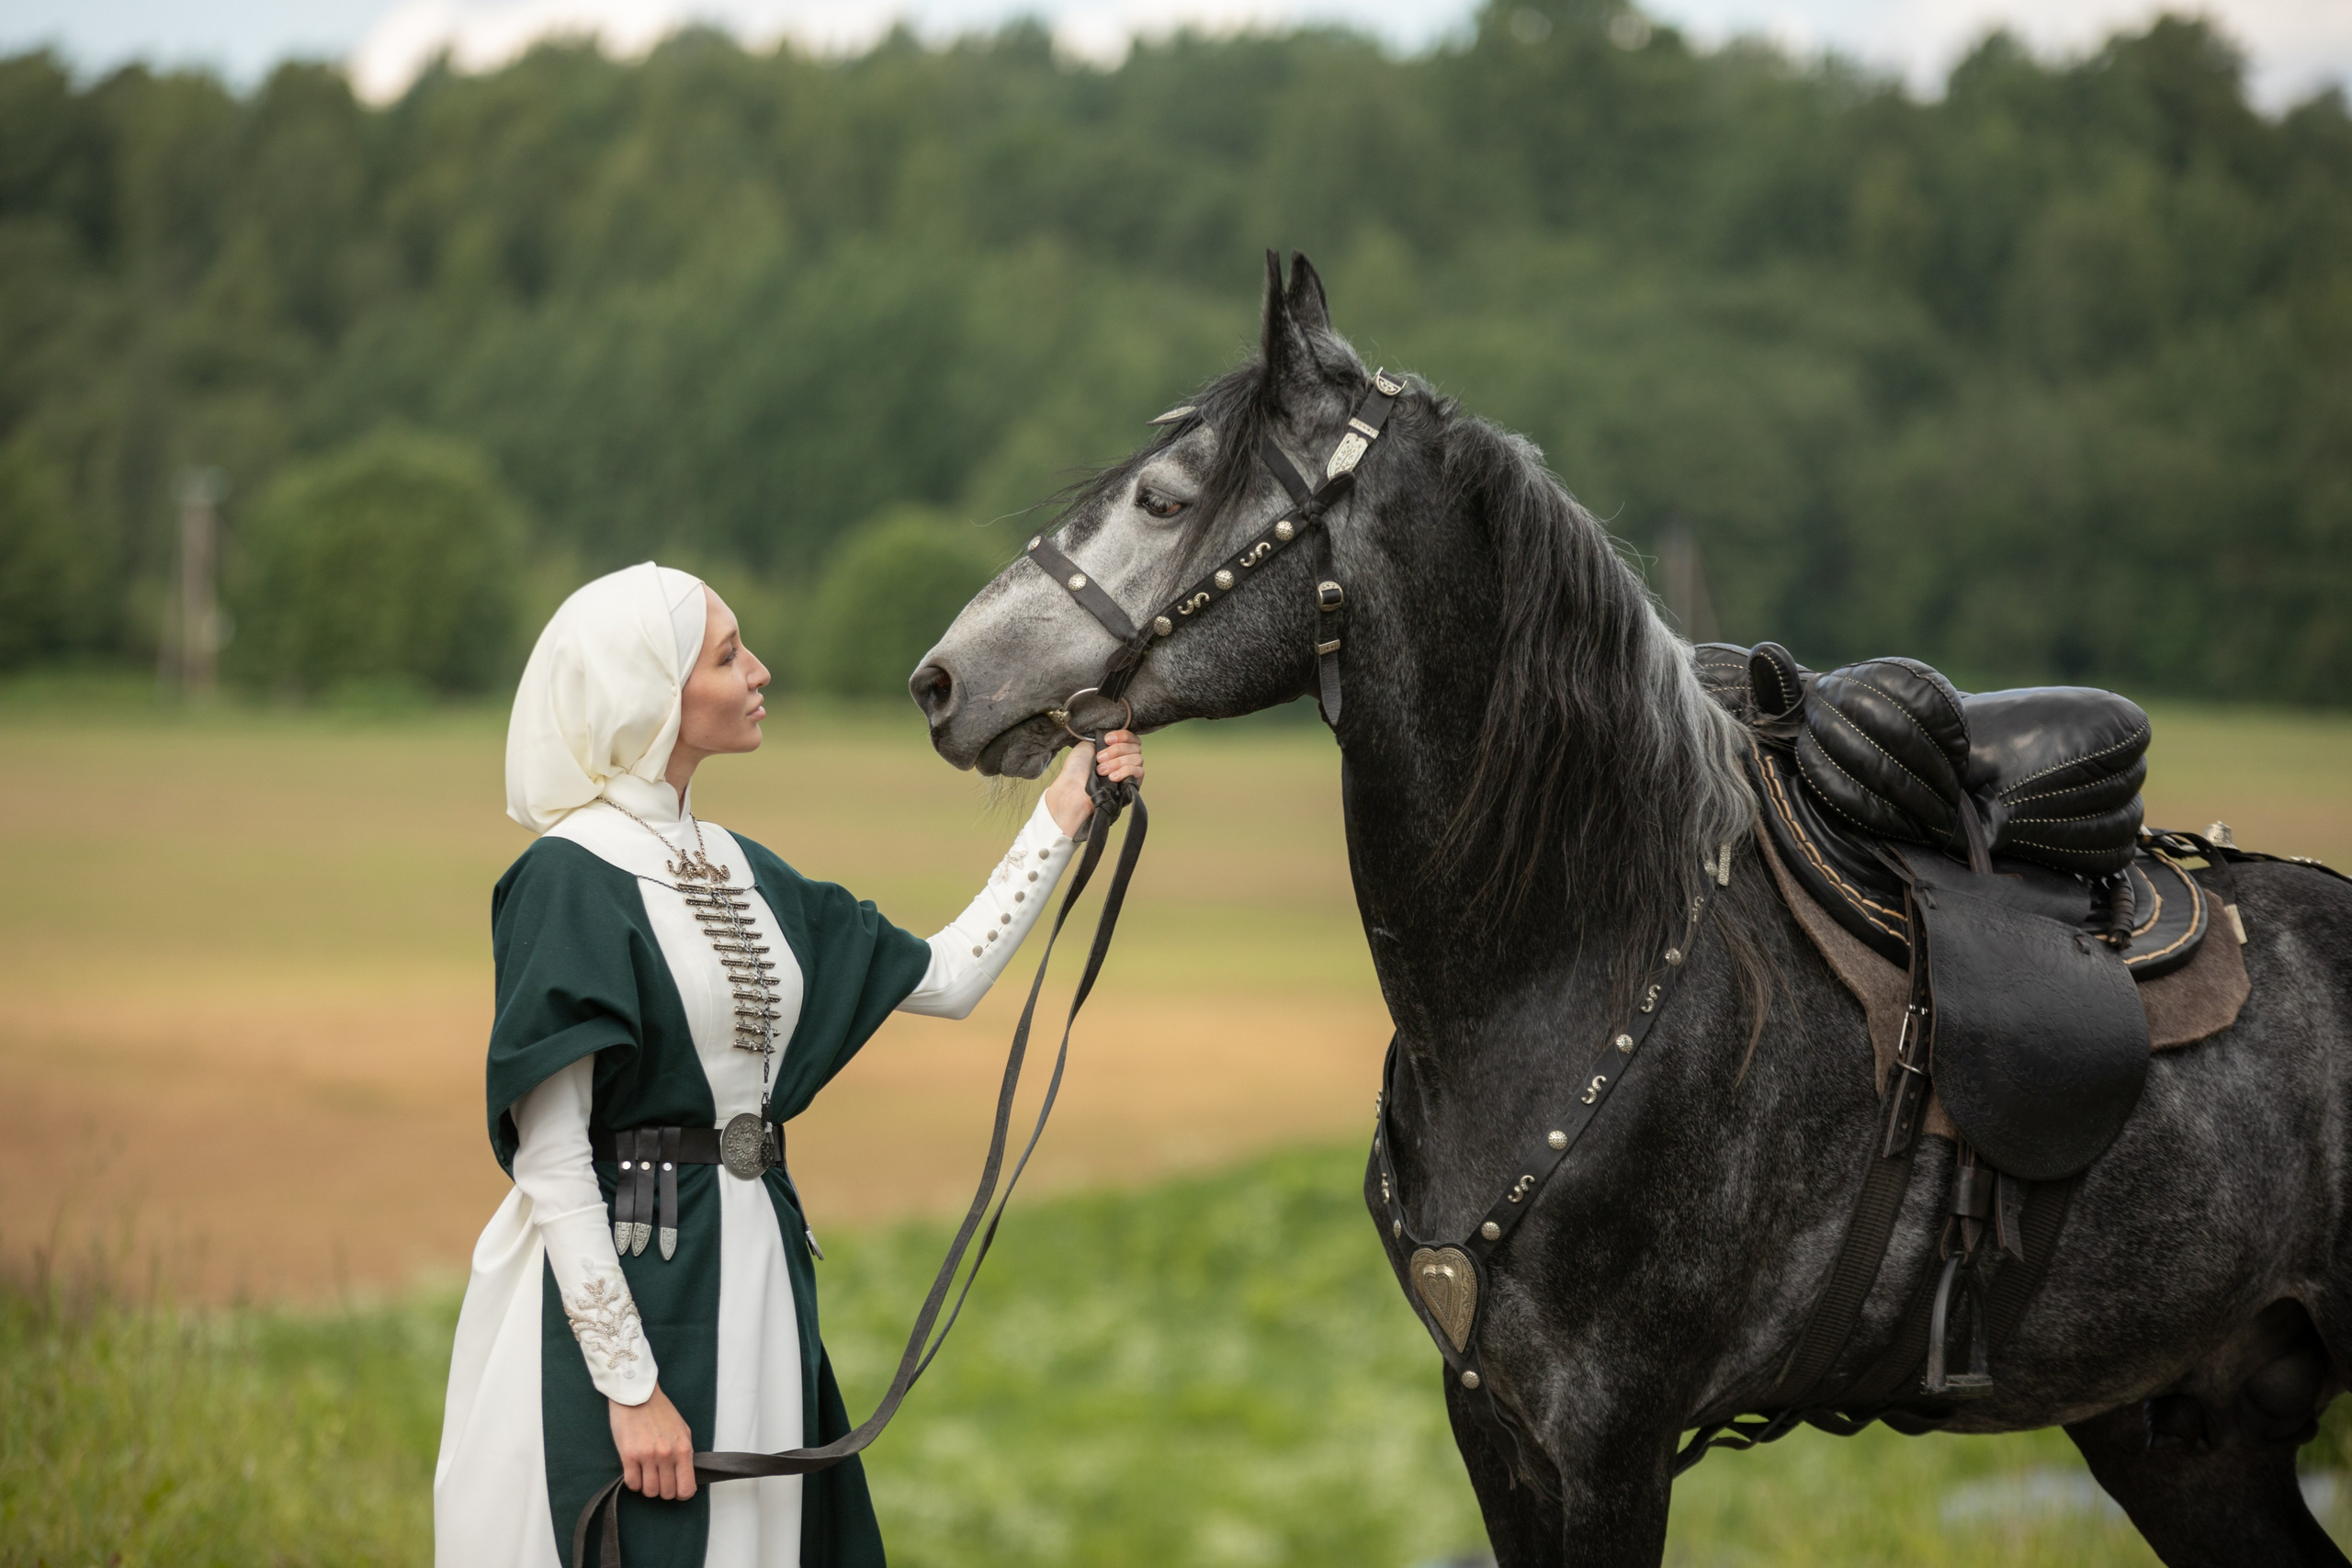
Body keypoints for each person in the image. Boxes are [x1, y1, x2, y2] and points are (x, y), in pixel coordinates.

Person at [434, 562, 1142, 1568]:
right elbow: (552, 1159)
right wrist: (631, 1391)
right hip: (639, 1281)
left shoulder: (744, 868)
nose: (760, 672)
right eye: (729, 656)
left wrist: (1063, 813)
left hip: (759, 1269)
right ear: (652, 694)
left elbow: (946, 976)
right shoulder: (566, 877)